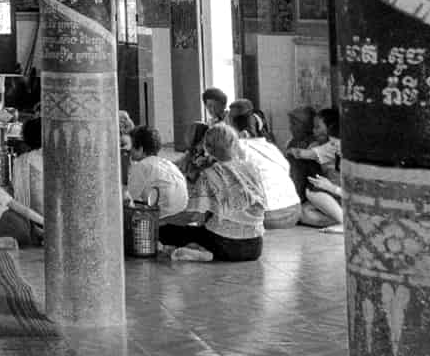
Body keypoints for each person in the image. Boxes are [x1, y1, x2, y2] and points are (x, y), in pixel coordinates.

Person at [158, 125, 267, 263]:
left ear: (207, 148)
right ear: (234, 143)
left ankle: (203, 250)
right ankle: (201, 250)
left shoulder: (209, 174)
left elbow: (193, 215)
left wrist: (163, 219)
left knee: (167, 231)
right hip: (255, 247)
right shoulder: (252, 169)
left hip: (223, 245)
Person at [228, 108, 301, 229]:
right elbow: (286, 168)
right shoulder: (270, 147)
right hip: (294, 212)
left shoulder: (240, 145)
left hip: (269, 216)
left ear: (244, 134)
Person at [125, 129, 190, 217]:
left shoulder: (141, 166)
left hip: (161, 216)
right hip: (181, 211)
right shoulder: (167, 163)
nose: (128, 151)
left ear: (140, 149)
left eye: (130, 147)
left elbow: (130, 198)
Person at [286, 108, 341, 202]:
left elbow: (301, 154)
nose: (290, 128)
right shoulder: (311, 144)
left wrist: (289, 151)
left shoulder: (332, 146)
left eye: (294, 124)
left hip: (334, 190)